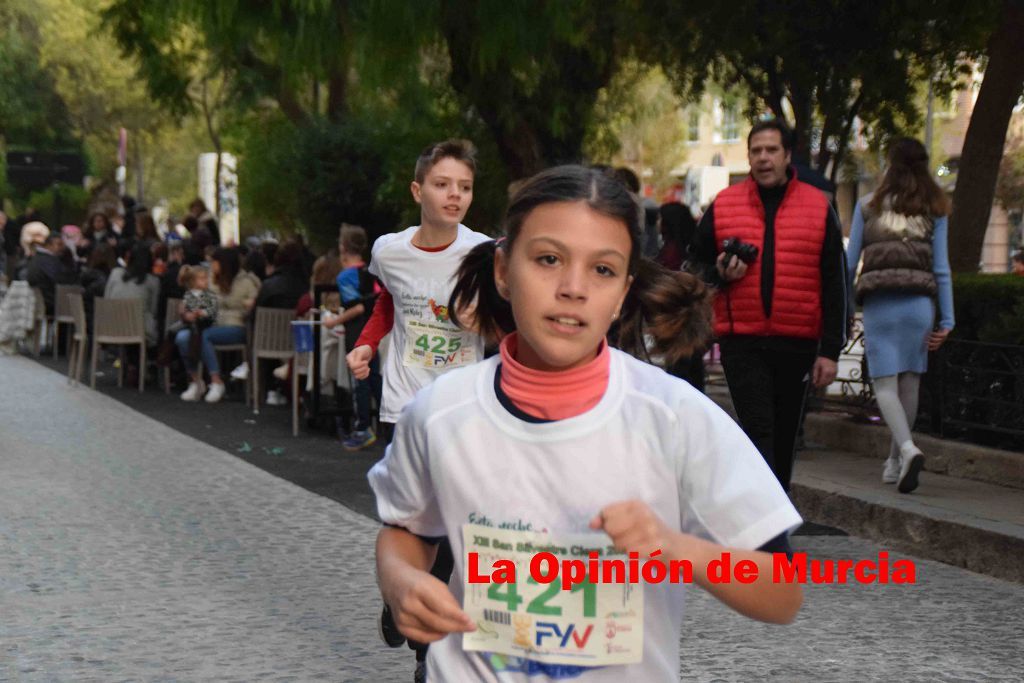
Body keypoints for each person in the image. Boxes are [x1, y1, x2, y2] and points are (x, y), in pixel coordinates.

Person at [369, 165, 803, 682]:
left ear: (623, 291)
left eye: (602, 270)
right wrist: (399, 582)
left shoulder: (675, 418)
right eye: (548, 259)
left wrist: (677, 547)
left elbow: (782, 591)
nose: (573, 288)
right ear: (504, 271)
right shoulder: (439, 413)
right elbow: (406, 530)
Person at [345, 139, 490, 679]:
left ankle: (430, 652)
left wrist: (489, 325)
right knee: (409, 524)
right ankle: (399, 592)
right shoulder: (389, 251)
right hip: (403, 406)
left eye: (465, 187)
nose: (454, 195)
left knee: (454, 529)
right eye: (442, 184)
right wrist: (365, 344)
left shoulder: (485, 253)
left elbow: (511, 321)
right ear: (418, 190)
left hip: (464, 409)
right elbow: (389, 302)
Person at [691, 118, 847, 493]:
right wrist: (718, 272)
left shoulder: (818, 207)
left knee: (784, 433)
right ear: (748, 157)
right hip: (741, 341)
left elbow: (834, 281)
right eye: (756, 151)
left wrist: (829, 350)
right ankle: (769, 527)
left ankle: (774, 515)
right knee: (758, 428)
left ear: (787, 155)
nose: (763, 158)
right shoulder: (725, 204)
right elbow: (693, 269)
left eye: (771, 150)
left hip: (797, 342)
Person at [845, 138, 954, 494]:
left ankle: (906, 450)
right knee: (910, 384)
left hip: (880, 305)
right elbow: (941, 269)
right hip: (920, 306)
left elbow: (849, 265)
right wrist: (947, 319)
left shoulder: (866, 206)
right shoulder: (935, 209)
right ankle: (894, 464)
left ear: (890, 165)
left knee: (884, 385)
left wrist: (845, 309)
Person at [175, 247, 259, 402]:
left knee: (205, 336)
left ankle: (216, 380)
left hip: (238, 326)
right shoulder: (212, 280)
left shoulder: (247, 282)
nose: (211, 265)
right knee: (182, 337)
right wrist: (189, 311)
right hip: (211, 324)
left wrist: (249, 307)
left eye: (214, 262)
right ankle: (195, 380)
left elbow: (256, 305)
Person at [328, 225, 382, 450]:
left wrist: (334, 321)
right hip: (374, 331)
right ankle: (388, 423)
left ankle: (362, 428)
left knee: (359, 380)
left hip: (356, 332)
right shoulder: (372, 272)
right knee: (375, 379)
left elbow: (357, 307)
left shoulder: (346, 276)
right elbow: (377, 299)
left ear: (343, 247)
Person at [104, 242, 161, 346]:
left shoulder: (115, 273)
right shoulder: (153, 281)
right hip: (139, 330)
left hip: (110, 326)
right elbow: (153, 310)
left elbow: (106, 298)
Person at [175, 265, 219, 369]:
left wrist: (201, 313)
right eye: (202, 278)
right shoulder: (189, 294)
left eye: (206, 278)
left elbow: (212, 310)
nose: (206, 281)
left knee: (194, 332)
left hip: (204, 323)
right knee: (174, 331)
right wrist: (185, 313)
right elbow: (184, 308)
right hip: (191, 322)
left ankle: (194, 361)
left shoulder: (209, 294)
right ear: (193, 281)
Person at [26, 232, 78, 315]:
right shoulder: (48, 261)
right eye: (59, 245)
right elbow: (61, 279)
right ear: (49, 245)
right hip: (51, 302)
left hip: (42, 300)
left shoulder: (38, 258)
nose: (62, 248)